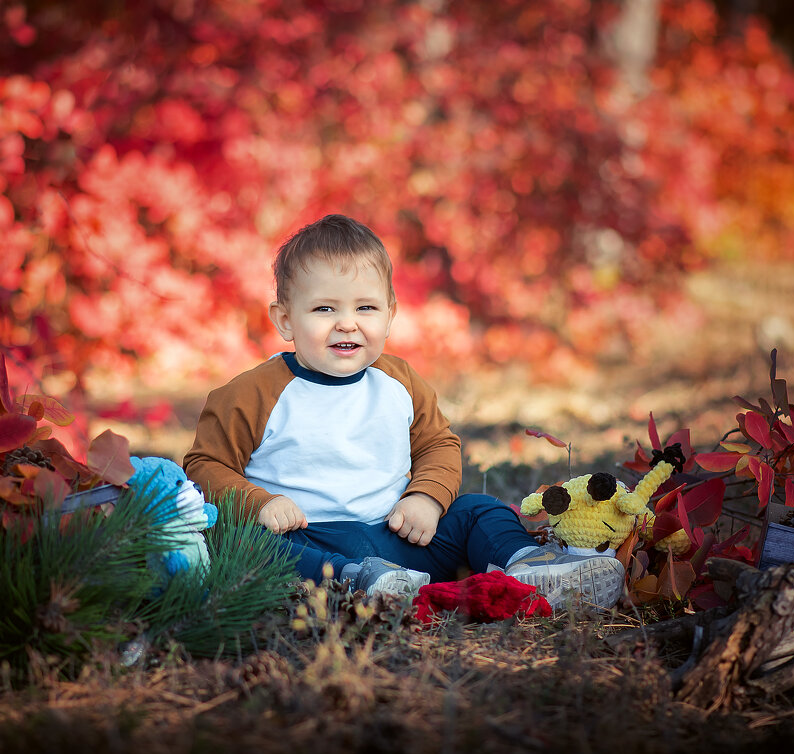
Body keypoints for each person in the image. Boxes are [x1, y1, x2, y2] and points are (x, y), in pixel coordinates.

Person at [183, 214, 622, 611]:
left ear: (390, 314)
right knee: (242, 541)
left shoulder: (399, 382)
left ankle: (530, 567)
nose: (347, 323)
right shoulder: (251, 394)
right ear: (284, 320)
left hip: (402, 533)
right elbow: (205, 465)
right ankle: (357, 584)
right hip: (309, 543)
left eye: (365, 307)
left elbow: (438, 445)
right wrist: (261, 503)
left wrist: (426, 498)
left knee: (478, 510)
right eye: (324, 309)